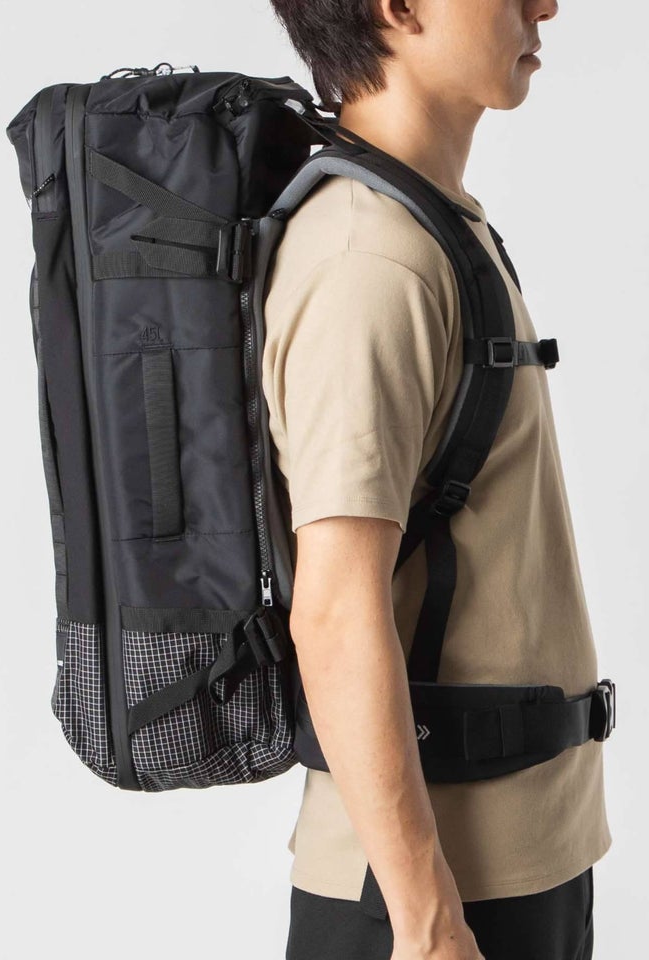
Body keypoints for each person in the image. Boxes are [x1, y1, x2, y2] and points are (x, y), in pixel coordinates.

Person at [263, 1, 612, 958]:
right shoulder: (369, 257)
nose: (545, 5)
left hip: (514, 863)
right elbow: (335, 610)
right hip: (421, 899)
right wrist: (425, 921)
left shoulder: (431, 224)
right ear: (398, 6)